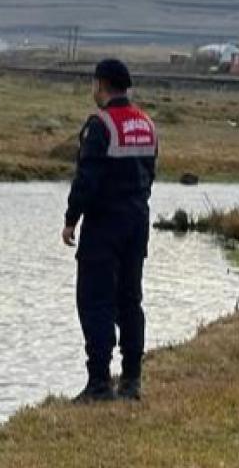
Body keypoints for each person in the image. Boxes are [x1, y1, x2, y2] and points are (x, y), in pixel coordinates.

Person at [63, 58, 158, 403]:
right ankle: (132, 380)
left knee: (95, 301)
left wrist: (71, 218)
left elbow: (86, 179)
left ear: (101, 85)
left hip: (104, 226)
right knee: (130, 300)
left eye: (94, 84)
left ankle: (99, 383)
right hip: (137, 223)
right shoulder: (147, 124)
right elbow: (150, 174)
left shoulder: (100, 125)